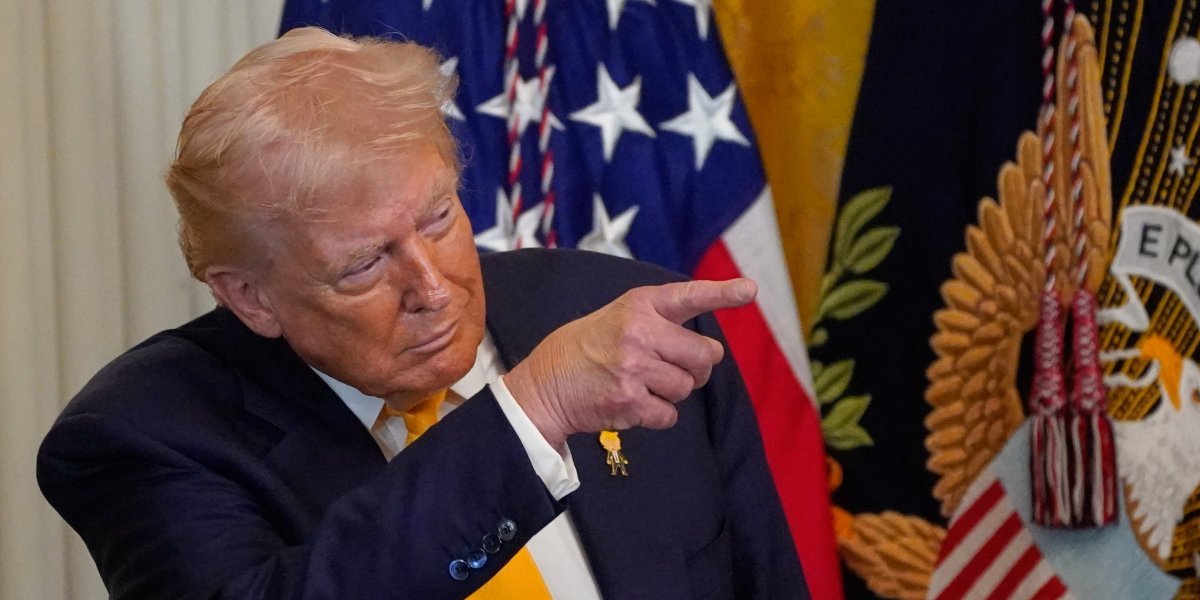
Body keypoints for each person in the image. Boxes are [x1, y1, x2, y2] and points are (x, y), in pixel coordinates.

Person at [37, 27, 808, 599]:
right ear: (251, 296)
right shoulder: (145, 433)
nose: (433, 288)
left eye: (439, 218)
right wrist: (531, 413)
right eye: (364, 264)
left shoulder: (629, 318)